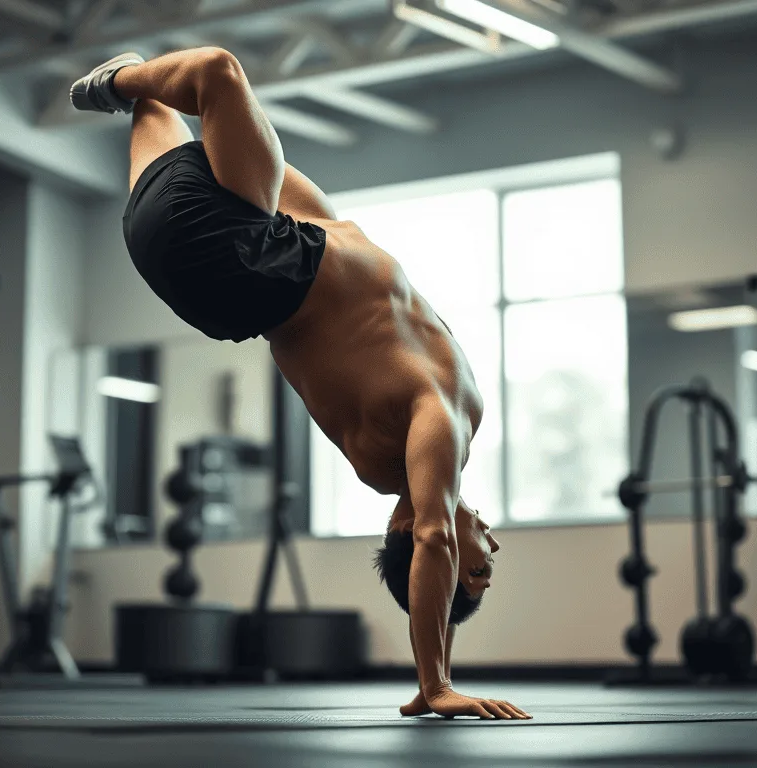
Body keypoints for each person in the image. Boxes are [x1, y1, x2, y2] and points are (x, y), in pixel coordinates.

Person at [71, 49, 530, 721]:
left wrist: (435, 683)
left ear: (408, 527)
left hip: (238, 256)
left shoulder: (434, 432)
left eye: (480, 563)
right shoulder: (393, 439)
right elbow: (310, 315)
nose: (493, 545)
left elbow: (434, 537)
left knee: (217, 74)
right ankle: (127, 79)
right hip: (205, 239)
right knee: (161, 97)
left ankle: (113, 81)